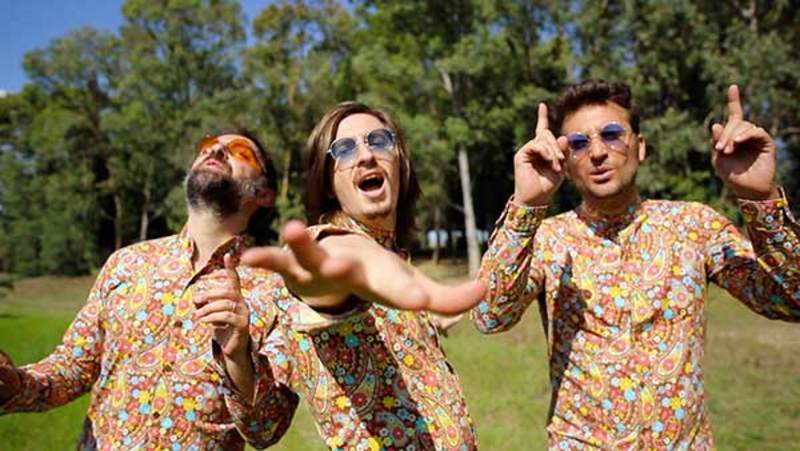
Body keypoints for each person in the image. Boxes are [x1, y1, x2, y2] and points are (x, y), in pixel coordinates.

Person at [473, 80, 800, 449]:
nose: (597, 152)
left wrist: (761, 197)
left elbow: (792, 299)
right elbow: (488, 315)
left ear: (640, 146)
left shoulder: (694, 226)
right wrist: (526, 205)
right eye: (578, 143)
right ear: (565, 162)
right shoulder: (549, 240)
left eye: (612, 134)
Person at [0, 130, 299, 449]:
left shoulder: (276, 292)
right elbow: (71, 370)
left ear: (264, 195)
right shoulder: (126, 263)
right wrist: (12, 383)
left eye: (240, 150)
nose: (216, 151)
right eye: (207, 146)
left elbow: (267, 430)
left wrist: (239, 358)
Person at [240, 101, 484, 450]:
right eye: (344, 149)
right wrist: (341, 271)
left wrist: (526, 202)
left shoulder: (396, 261)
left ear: (400, 163)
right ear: (327, 183)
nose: (366, 155)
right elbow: (335, 262)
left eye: (378, 140)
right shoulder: (326, 245)